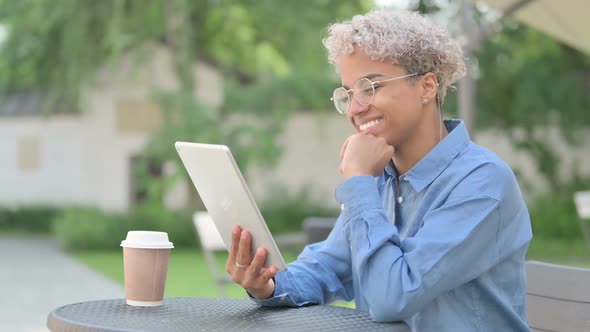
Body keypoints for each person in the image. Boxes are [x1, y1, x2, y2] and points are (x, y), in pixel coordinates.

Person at [225, 9, 532, 331]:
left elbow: (392, 297)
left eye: (371, 87)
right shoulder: (382, 178)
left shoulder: (482, 182)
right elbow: (329, 268)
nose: (356, 108)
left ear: (427, 86)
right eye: (348, 93)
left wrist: (358, 181)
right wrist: (268, 284)